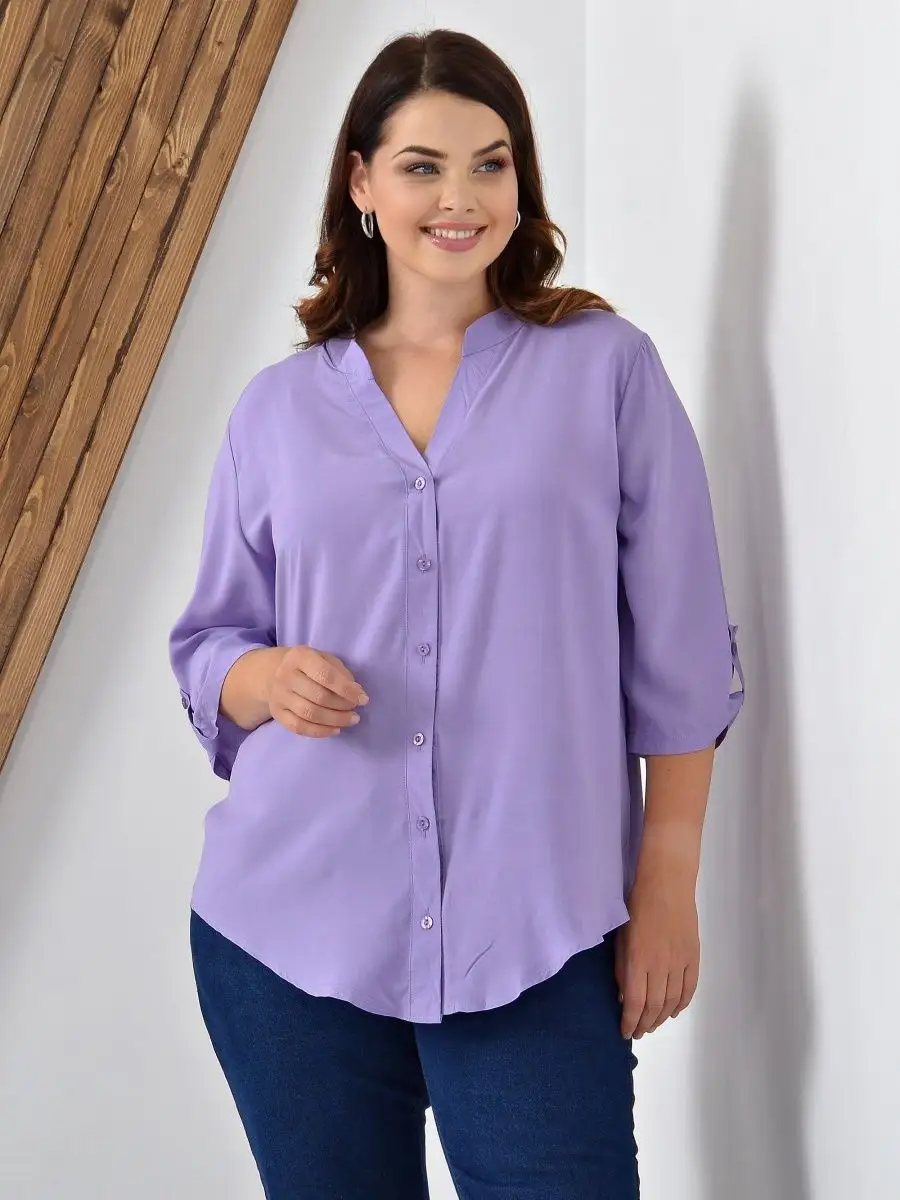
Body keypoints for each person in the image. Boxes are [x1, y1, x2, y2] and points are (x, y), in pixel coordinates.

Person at [168, 26, 745, 1200]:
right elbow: (209, 643)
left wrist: (669, 876)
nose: (461, 198)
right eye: (422, 166)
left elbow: (682, 642)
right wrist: (264, 678)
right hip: (291, 939)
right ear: (362, 182)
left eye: (491, 163)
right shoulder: (277, 411)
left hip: (536, 933)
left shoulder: (604, 370)